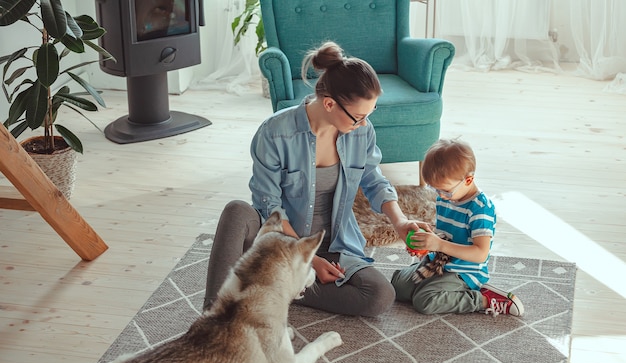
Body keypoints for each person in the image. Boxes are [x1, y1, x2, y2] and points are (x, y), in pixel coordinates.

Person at [203, 41, 416, 317]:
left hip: (333, 246)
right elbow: (270, 210)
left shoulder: (361, 132)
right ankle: (214, 316)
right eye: (358, 117)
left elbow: (373, 180)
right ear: (329, 103)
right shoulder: (275, 134)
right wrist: (309, 260)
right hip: (280, 241)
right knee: (237, 211)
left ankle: (272, 285)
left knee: (379, 296)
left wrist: (399, 222)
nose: (363, 124)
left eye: (369, 114)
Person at [391, 139, 525, 317]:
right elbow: (446, 235)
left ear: (468, 180)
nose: (440, 196)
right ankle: (433, 286)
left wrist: (439, 245)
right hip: (438, 263)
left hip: (464, 272)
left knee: (424, 301)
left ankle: (484, 299)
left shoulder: (480, 209)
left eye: (445, 191)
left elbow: (480, 253)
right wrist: (426, 244)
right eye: (435, 189)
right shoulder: (447, 198)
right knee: (397, 286)